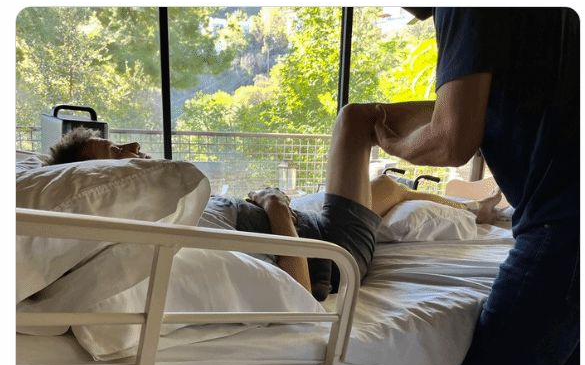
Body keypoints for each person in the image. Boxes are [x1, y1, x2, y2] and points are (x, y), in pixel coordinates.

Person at [370, 7, 579, 365]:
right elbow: (471, 112)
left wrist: (388, 140)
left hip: (563, 223)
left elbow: (452, 138)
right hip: (560, 214)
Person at [45, 125, 502, 300]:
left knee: (387, 188)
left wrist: (270, 205)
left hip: (309, 224)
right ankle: (480, 118)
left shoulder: (162, 209)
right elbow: (301, 292)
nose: (132, 146)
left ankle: (474, 207)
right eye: (116, 152)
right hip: (332, 248)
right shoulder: (162, 231)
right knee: (357, 121)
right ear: (99, 178)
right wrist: (277, 207)